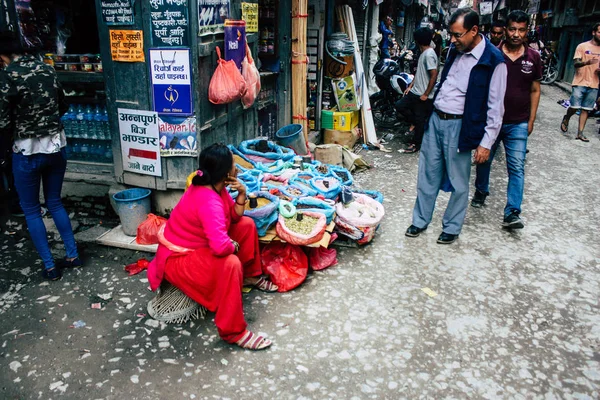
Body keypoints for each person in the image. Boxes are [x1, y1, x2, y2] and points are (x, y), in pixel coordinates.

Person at [147, 143, 277, 351]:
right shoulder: (208, 201)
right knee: (231, 263)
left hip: (199, 245)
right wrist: (232, 246)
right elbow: (219, 247)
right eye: (234, 164)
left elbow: (233, 217)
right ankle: (234, 332)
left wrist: (242, 193)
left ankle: (250, 276)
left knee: (246, 225)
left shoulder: (216, 187)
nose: (237, 168)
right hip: (178, 260)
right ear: (226, 172)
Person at [405, 8, 507, 244]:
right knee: (427, 176)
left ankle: (452, 226)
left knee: (459, 182)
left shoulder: (494, 61)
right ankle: (420, 221)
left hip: (461, 126)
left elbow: (496, 107)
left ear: (474, 30)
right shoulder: (455, 50)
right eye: (451, 34)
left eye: (457, 34)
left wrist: (486, 143)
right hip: (436, 120)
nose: (452, 40)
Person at [0, 33, 81, 281]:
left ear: (2, 56)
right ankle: (72, 255)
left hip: (26, 152)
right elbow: (64, 105)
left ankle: (49, 267)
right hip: (56, 146)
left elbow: (2, 120)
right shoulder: (46, 70)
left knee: (32, 209)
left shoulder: (7, 75)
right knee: (55, 202)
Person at [471, 10, 542, 230]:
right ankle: (481, 190)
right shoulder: (493, 54)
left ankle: (512, 212)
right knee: (484, 161)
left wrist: (530, 121)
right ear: (506, 29)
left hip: (517, 123)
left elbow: (535, 89)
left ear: (526, 30)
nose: (516, 34)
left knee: (517, 167)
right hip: (491, 122)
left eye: (521, 30)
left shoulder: (533, 57)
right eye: (512, 29)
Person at [396, 27, 439, 153]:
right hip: (415, 91)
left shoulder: (429, 54)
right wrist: (410, 86)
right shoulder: (423, 53)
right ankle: (415, 124)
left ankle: (416, 144)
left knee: (419, 119)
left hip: (422, 95)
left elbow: (434, 75)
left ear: (418, 41)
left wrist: (426, 94)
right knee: (400, 106)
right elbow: (419, 73)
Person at [560, 23, 600, 142]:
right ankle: (566, 118)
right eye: (599, 32)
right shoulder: (582, 46)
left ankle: (580, 133)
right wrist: (586, 63)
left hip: (594, 83)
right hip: (580, 81)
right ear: (593, 32)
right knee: (574, 106)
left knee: (586, 109)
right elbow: (576, 63)